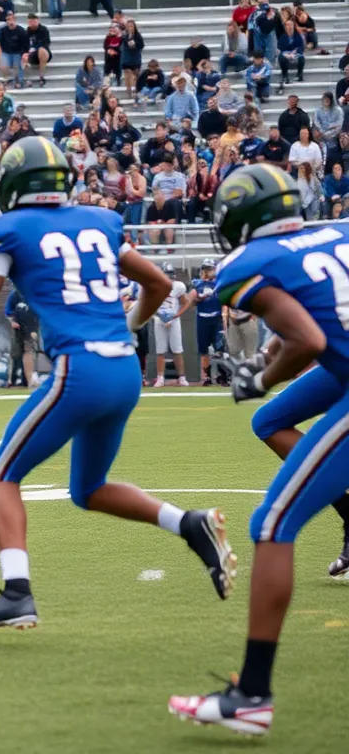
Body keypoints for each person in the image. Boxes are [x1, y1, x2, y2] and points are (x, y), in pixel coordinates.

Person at [0, 137, 236, 631]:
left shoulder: (6, 229)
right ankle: (188, 523)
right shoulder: (99, 220)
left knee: (2, 474)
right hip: (124, 370)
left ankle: (16, 594)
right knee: (88, 489)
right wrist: (129, 326)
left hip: (80, 369)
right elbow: (157, 284)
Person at [168, 164, 349, 735]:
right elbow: (314, 320)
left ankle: (251, 696)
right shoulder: (337, 230)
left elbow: (311, 338)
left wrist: (259, 378)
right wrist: (266, 367)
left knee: (272, 523)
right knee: (272, 421)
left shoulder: (247, 264)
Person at [152, 261, 192, 387]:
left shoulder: (178, 286)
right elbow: (149, 303)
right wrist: (158, 315)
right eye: (167, 274)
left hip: (173, 320)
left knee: (177, 349)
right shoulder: (155, 285)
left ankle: (182, 377)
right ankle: (160, 377)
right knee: (160, 350)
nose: (169, 277)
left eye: (170, 274)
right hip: (159, 320)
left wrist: (176, 315)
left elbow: (186, 302)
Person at [189, 258, 224, 385]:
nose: (206, 272)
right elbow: (191, 302)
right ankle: (207, 376)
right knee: (203, 350)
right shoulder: (197, 283)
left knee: (220, 349)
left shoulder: (220, 283)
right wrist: (199, 297)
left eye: (209, 269)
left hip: (217, 318)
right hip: (202, 318)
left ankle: (222, 375)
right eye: (205, 269)